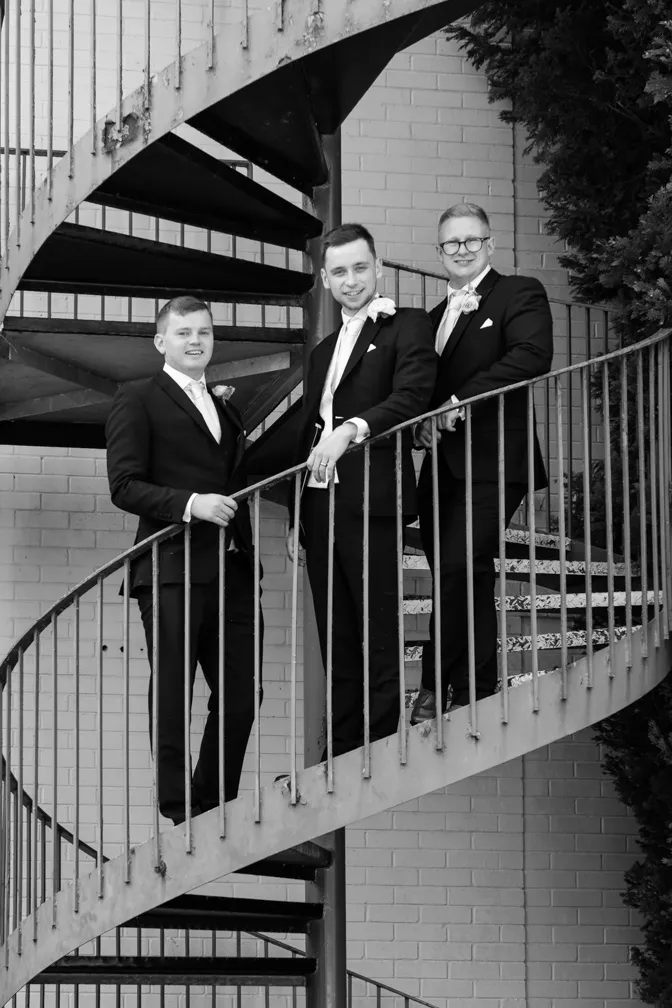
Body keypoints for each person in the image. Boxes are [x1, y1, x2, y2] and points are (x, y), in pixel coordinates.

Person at [106, 295, 259, 825]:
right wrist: (191, 506)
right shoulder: (138, 398)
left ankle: (213, 800)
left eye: (204, 333)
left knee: (242, 692)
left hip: (234, 569)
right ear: (161, 341)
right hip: (171, 566)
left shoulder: (226, 408)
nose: (196, 341)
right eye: (184, 332)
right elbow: (124, 485)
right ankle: (179, 807)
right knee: (173, 688)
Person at [291, 222, 437, 758]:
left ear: (378, 267)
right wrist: (294, 516)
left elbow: (414, 395)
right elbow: (306, 431)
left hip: (373, 496)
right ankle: (344, 743)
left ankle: (379, 737)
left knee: (376, 621)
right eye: (339, 272)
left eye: (359, 267)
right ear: (325, 280)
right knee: (335, 630)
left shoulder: (409, 325)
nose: (351, 280)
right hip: (319, 500)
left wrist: (351, 430)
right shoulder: (322, 350)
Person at [411, 203, 553, 723]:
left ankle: (434, 685)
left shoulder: (519, 292)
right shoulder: (429, 320)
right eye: (452, 243)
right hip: (442, 467)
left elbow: (532, 356)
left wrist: (456, 403)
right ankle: (477, 685)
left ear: (489, 245)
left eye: (472, 240)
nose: (463, 250)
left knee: (456, 566)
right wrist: (423, 419)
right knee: (463, 572)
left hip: (494, 459)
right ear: (440, 252)